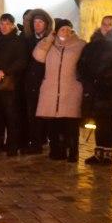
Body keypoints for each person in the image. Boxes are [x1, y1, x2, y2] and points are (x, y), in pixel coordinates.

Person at [78, 24, 112, 165]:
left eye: (110, 25)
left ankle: (108, 154)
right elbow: (83, 64)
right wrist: (88, 79)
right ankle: (99, 153)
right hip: (96, 89)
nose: (106, 28)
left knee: (108, 122)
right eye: (104, 24)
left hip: (111, 90)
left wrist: (102, 78)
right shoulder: (92, 46)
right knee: (100, 122)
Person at [33, 18, 86, 162]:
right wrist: (50, 38)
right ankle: (57, 150)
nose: (66, 32)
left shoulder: (80, 45)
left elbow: (86, 63)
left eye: (69, 29)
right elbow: (38, 55)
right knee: (54, 123)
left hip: (71, 89)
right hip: (51, 89)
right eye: (63, 29)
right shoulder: (49, 44)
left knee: (71, 123)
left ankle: (73, 152)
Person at [0, 12, 28, 156]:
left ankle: (12, 146)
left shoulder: (18, 41)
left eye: (7, 23)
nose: (4, 26)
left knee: (11, 116)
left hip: (9, 85)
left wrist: (6, 71)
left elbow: (21, 61)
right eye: (2, 23)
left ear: (13, 25)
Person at [20, 9, 53, 154]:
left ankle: (41, 140)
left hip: (45, 81)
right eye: (35, 22)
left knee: (44, 113)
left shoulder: (50, 41)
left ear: (46, 24)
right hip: (30, 81)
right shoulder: (27, 39)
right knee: (31, 112)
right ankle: (34, 141)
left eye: (40, 22)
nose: (37, 25)